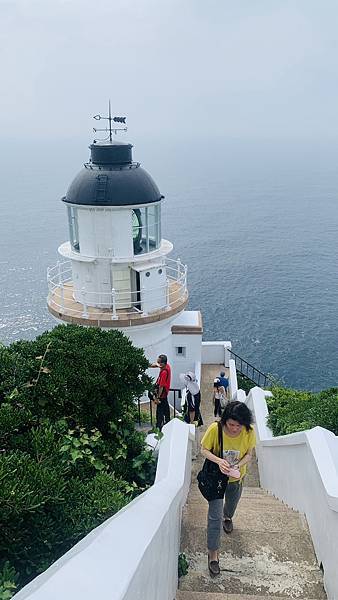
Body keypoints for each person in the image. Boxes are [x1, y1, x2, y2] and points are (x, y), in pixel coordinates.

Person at [200, 401, 256, 576]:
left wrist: (238, 465)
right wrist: (219, 461)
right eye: (231, 424)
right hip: (217, 478)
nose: (234, 429)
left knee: (231, 504)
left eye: (238, 426)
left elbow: (249, 455)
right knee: (214, 517)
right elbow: (204, 450)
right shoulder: (215, 429)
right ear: (225, 421)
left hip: (236, 478)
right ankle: (213, 555)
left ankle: (228, 516)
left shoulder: (249, 432)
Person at [150, 354, 171, 430]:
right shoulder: (167, 366)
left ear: (163, 363)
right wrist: (148, 365)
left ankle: (159, 427)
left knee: (160, 412)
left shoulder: (164, 373)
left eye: (159, 362)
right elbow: (156, 365)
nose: (157, 363)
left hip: (162, 393)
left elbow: (161, 386)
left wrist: (157, 397)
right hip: (164, 394)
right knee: (165, 409)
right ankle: (167, 423)